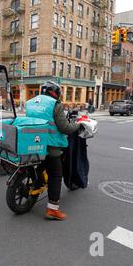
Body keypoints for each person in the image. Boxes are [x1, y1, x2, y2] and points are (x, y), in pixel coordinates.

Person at [25, 81, 80, 221]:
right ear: (55, 92)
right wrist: (78, 125)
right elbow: (65, 128)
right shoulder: (55, 104)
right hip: (50, 146)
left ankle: (39, 181)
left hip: (33, 142)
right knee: (56, 175)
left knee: (42, 165)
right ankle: (52, 209)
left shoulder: (30, 102)